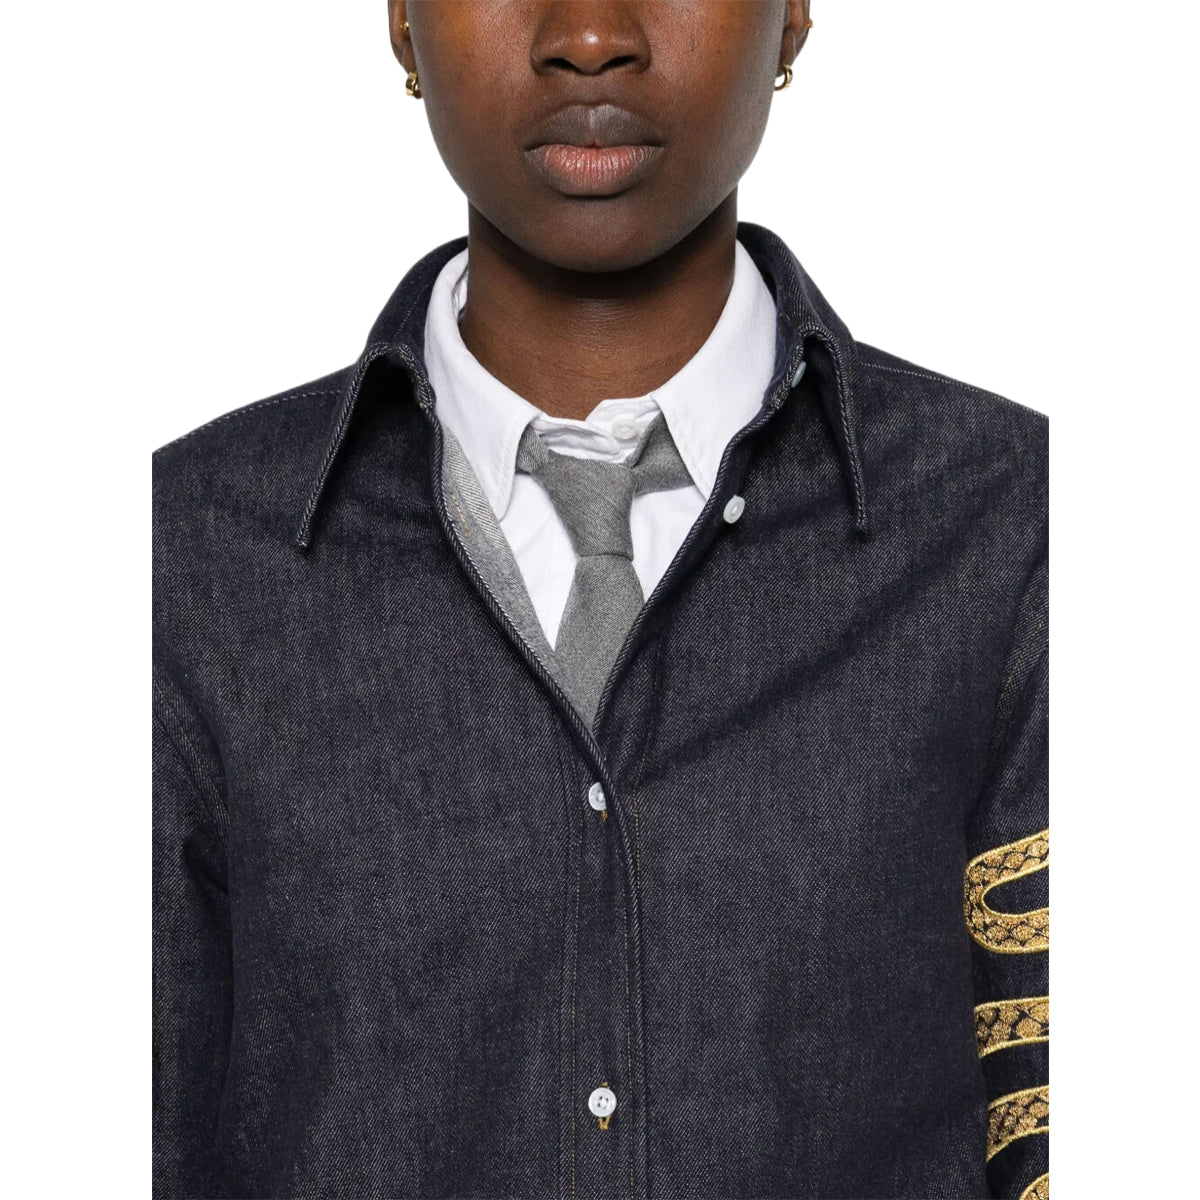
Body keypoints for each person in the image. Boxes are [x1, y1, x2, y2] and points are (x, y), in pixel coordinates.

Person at [152, 3, 1049, 1198]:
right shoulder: (182, 559)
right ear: (403, 20)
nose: (587, 35)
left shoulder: (1018, 527)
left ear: (791, 16)